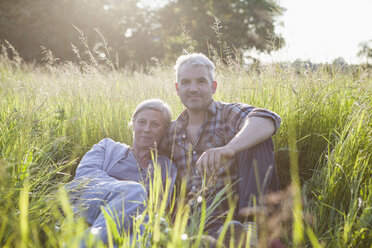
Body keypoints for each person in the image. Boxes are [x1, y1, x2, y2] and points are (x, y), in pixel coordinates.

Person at [161, 53, 281, 246]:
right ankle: (223, 238)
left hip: (236, 203)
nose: (193, 88)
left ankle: (251, 230)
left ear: (213, 86)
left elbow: (268, 119)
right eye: (186, 82)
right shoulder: (171, 132)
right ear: (177, 88)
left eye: (201, 81)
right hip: (197, 214)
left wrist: (229, 149)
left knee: (258, 140)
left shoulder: (228, 114)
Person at [66, 99, 177, 246]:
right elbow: (85, 177)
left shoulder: (166, 167)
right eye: (142, 122)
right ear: (133, 123)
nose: (147, 129)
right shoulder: (107, 147)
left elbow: (158, 208)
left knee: (143, 230)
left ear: (164, 130)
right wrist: (125, 191)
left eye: (155, 124)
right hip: (89, 206)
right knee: (136, 191)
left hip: (130, 222)